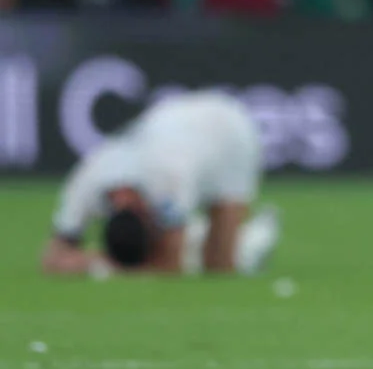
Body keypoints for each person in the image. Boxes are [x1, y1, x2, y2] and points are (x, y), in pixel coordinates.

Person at [39, 91, 280, 278]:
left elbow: (171, 264)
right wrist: (106, 263)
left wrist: (106, 269)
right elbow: (52, 257)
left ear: (147, 216)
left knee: (219, 266)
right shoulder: (84, 183)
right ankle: (252, 240)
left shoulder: (167, 176)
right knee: (208, 261)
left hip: (228, 131)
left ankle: (253, 243)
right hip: (179, 131)